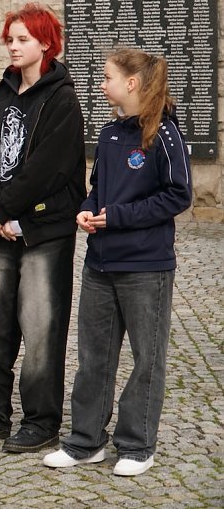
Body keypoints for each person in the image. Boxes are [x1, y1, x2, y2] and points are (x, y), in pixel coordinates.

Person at [43, 49, 192, 476]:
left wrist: (119, 217)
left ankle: (137, 445)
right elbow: (98, 189)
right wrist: (87, 210)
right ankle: (85, 441)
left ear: (132, 83)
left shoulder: (165, 134)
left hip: (146, 267)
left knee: (147, 359)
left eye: (107, 77)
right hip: (100, 265)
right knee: (94, 358)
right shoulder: (109, 134)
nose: (101, 84)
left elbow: (178, 195)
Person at [0, 3, 86, 453]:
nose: (12, 46)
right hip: (0, 227)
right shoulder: (3, 92)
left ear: (45, 43)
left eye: (22, 39)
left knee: (41, 327)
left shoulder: (62, 99)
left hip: (43, 230)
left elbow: (50, 167)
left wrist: (8, 209)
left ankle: (41, 420)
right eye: (9, 39)